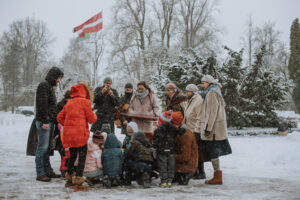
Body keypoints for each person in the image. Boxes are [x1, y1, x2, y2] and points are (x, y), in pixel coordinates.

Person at [57, 81, 97, 191]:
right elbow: (91, 119)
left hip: (70, 135)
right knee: (82, 157)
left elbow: (59, 118)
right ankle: (78, 180)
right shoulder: (85, 102)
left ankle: (69, 178)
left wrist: (69, 124)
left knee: (72, 156)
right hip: (81, 135)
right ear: (84, 91)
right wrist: (94, 115)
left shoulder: (69, 103)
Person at [195, 75, 232, 185]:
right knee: (213, 152)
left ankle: (217, 176)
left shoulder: (211, 93)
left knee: (213, 152)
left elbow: (212, 113)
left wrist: (208, 128)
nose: (202, 85)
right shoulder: (215, 91)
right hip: (216, 128)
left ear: (209, 83)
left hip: (213, 130)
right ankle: (217, 175)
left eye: (203, 83)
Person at [35, 66, 64, 182]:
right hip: (44, 122)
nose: (59, 80)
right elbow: (42, 105)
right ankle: (40, 172)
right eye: (58, 78)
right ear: (54, 76)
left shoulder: (50, 88)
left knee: (47, 148)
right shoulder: (44, 86)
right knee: (42, 148)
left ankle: (48, 170)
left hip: (50, 121)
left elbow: (51, 106)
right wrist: (45, 121)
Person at [183, 84, 206, 179]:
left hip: (195, 131)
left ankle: (201, 172)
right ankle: (194, 171)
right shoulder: (190, 100)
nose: (186, 93)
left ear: (193, 92)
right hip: (189, 130)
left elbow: (199, 118)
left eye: (188, 91)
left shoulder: (198, 101)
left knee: (198, 152)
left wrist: (197, 132)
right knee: (193, 152)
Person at [153, 111, 178, 188]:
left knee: (162, 166)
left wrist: (155, 148)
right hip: (171, 150)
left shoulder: (158, 130)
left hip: (161, 151)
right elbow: (179, 132)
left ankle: (164, 181)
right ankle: (170, 181)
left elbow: (155, 142)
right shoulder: (173, 128)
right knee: (171, 165)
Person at [173, 116, 198, 185]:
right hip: (183, 164)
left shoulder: (185, 136)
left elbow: (185, 157)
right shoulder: (180, 132)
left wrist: (171, 156)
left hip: (187, 166)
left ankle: (186, 174)